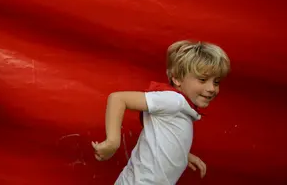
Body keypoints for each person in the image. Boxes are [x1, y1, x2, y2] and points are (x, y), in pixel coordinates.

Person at [91, 40, 230, 184]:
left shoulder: (182, 106)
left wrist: (183, 155)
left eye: (216, 82)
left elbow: (162, 136)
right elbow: (118, 99)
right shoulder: (173, 100)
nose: (212, 88)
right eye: (203, 79)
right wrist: (113, 142)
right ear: (177, 78)